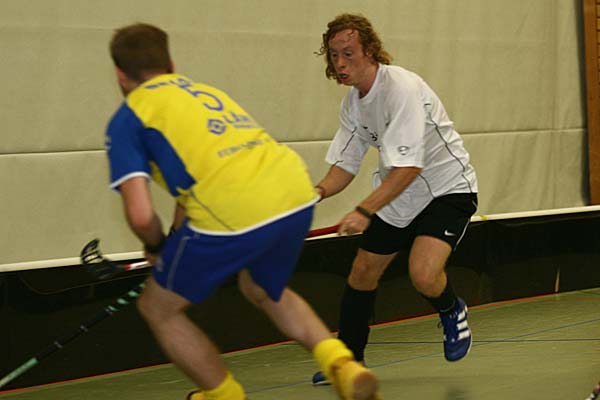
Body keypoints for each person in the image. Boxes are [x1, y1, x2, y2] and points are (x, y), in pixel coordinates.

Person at [106, 23, 381, 400]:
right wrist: (174, 239)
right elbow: (195, 186)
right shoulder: (204, 93)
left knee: (158, 308)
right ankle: (343, 366)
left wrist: (155, 246)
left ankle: (224, 395)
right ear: (170, 64)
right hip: (294, 192)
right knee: (265, 289)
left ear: (120, 75)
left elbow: (140, 215)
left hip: (235, 209)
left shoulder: (128, 119)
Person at [311, 14, 478, 385]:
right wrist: (314, 194)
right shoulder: (353, 104)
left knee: (423, 274)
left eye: (348, 53)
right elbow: (344, 165)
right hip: (400, 195)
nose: (340, 63)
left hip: (446, 189)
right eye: (334, 55)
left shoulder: (400, 87)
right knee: (362, 271)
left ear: (370, 51)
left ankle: (451, 309)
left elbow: (410, 166)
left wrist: (364, 210)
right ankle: (350, 362)